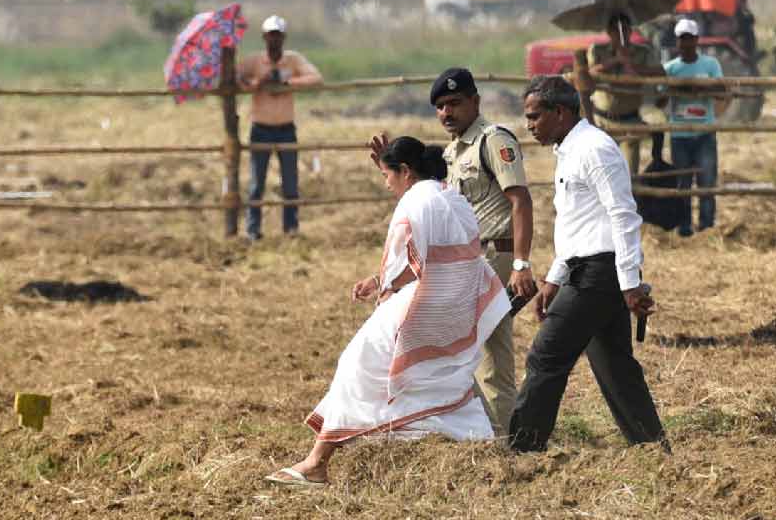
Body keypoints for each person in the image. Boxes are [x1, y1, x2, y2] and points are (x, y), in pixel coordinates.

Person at [265, 137, 510, 487]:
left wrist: (385, 286)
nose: (386, 184)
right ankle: (477, 443)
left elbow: (402, 260)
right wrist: (381, 280)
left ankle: (317, 462)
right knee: (438, 377)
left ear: (405, 171)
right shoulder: (450, 196)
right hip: (457, 307)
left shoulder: (415, 201)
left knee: (357, 365)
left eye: (386, 175)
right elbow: (437, 256)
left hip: (424, 305)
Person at [509, 75, 668, 453]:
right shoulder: (569, 150)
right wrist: (554, 278)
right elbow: (579, 225)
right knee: (615, 367)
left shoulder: (595, 148)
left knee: (545, 356)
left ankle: (522, 451)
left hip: (600, 273)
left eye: (534, 116)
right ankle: (652, 450)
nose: (529, 125)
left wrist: (629, 283)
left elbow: (622, 215)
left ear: (560, 112)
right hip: (587, 270)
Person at [372, 68, 535, 438]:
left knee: (482, 355)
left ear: (475, 101)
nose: (447, 112)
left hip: (495, 256)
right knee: (464, 351)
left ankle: (504, 437)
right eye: (441, 106)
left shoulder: (493, 141)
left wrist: (521, 263)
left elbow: (520, 201)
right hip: (468, 261)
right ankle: (494, 433)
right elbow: (434, 200)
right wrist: (393, 169)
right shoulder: (453, 152)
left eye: (455, 103)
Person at [238, 15, 323, 241]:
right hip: (260, 128)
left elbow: (316, 78)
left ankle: (290, 229)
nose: (274, 40)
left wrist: (288, 83)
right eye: (270, 36)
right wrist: (258, 83)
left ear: (283, 38)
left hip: (286, 128)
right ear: (264, 37)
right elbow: (237, 79)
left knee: (290, 182)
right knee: (257, 183)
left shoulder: (292, 61)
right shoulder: (254, 62)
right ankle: (253, 230)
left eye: (277, 36)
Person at [664, 18, 727, 237]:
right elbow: (659, 100)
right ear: (677, 41)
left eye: (689, 38)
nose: (686, 43)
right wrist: (673, 90)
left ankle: (707, 227)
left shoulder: (710, 65)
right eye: (682, 39)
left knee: (706, 183)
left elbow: (722, 92)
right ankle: (684, 228)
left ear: (697, 40)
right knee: (682, 185)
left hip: (704, 133)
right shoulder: (670, 68)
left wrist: (702, 89)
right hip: (679, 134)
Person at [587, 13, 665, 171]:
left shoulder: (642, 52)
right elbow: (589, 74)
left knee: (629, 173)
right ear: (609, 32)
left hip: (630, 121)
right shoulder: (597, 50)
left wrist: (632, 66)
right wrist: (615, 60)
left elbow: (660, 73)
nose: (620, 33)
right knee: (602, 173)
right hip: (602, 121)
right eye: (615, 30)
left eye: (624, 29)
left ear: (630, 31)